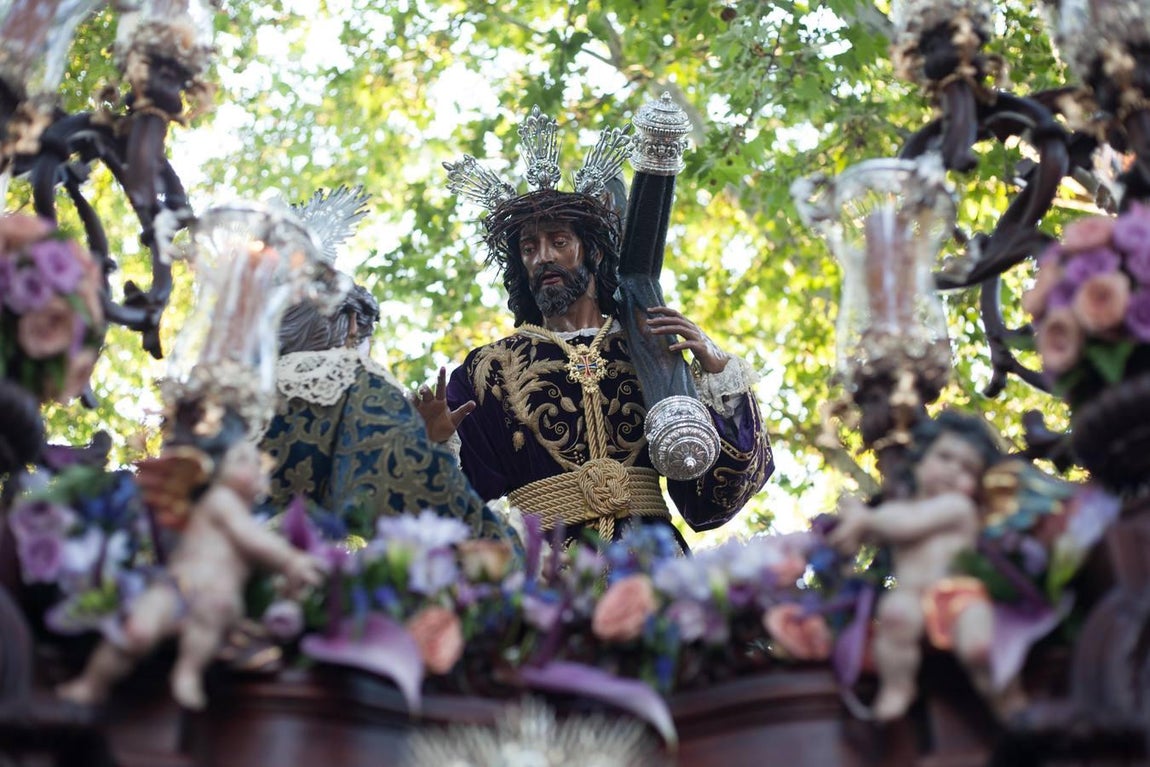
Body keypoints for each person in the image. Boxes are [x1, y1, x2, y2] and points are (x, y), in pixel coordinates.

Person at [443, 180, 773, 547]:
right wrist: (431, 444)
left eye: (559, 241)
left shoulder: (652, 352)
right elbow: (461, 503)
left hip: (652, 565)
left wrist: (717, 372)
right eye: (529, 247)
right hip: (548, 573)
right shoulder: (490, 368)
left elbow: (712, 498)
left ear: (594, 253)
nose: (543, 257)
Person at [58, 437, 326, 710]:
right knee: (136, 631)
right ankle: (92, 684)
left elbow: (258, 549)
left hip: (214, 599)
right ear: (220, 471)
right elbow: (251, 539)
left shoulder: (250, 517)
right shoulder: (222, 500)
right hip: (177, 585)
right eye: (240, 460)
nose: (252, 468)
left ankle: (188, 672)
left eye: (256, 464)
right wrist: (292, 559)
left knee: (211, 616)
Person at [260, 282, 516, 543]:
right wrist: (519, 550)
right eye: (368, 346)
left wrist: (424, 442)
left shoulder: (237, 390)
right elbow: (434, 517)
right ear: (351, 326)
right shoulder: (355, 386)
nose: (368, 361)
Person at [828, 410, 1007, 721]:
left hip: (959, 596)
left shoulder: (958, 507)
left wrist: (865, 518)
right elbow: (875, 533)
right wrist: (849, 527)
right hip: (911, 597)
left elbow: (907, 524)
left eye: (967, 469)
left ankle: (1007, 702)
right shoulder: (895, 511)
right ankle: (898, 687)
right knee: (895, 615)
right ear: (921, 460)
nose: (953, 471)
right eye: (945, 457)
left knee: (979, 646)